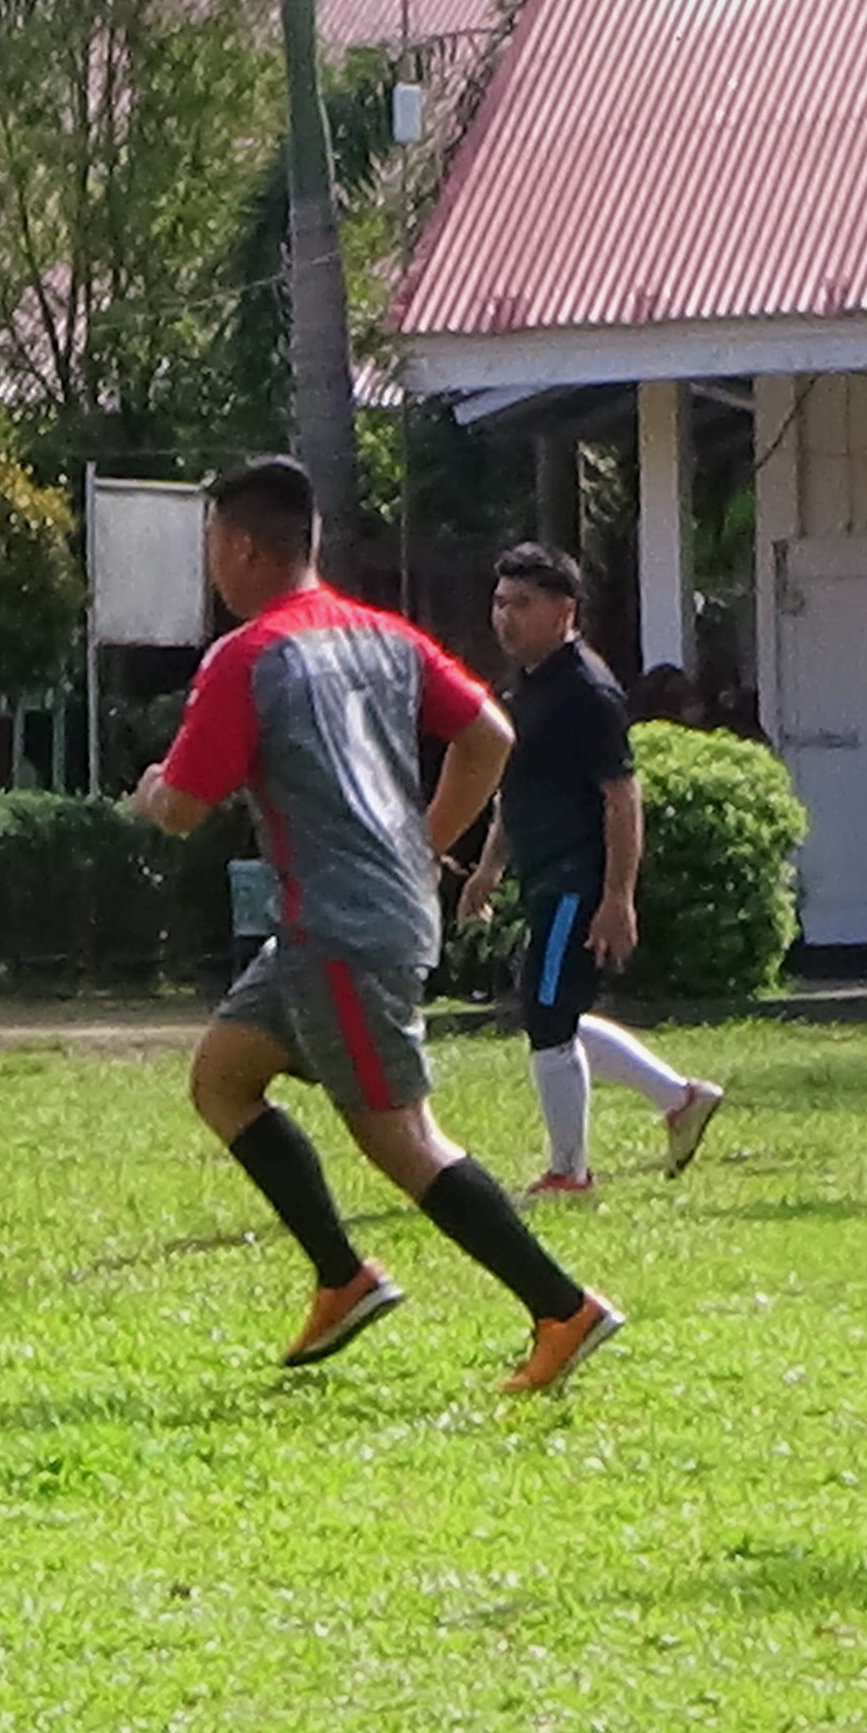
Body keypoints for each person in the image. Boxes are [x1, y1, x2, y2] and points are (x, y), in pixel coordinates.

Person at [129, 456, 619, 1391]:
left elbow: (184, 807)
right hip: (337, 924)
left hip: (338, 932)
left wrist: (151, 789)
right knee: (223, 1078)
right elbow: (490, 735)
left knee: (401, 1136)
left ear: (243, 548)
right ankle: (342, 1279)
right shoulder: (385, 636)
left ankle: (563, 1308)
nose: (212, 567)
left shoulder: (247, 657)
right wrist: (424, 842)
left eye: (213, 547)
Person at [452, 542, 724, 1195]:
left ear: (564, 611)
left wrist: (617, 897)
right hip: (541, 873)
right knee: (557, 1012)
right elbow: (515, 787)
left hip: (576, 880)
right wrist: (489, 868)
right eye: (500, 602)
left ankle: (568, 1172)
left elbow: (622, 797)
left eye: (522, 604)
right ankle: (680, 1099)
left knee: (546, 1010)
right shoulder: (525, 685)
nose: (505, 617)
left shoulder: (587, 691)